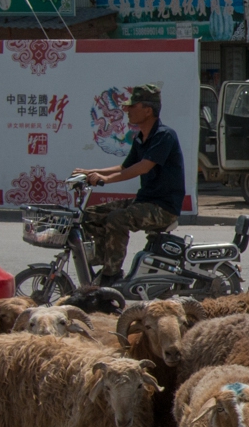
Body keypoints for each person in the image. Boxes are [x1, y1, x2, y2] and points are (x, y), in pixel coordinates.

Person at [73, 85, 186, 284]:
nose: (126, 111)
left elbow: (143, 167)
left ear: (148, 110)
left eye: (132, 106)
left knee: (117, 219)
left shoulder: (164, 135)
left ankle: (112, 274)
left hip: (163, 207)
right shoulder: (140, 138)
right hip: (145, 201)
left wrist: (105, 180)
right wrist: (90, 172)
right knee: (91, 214)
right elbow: (124, 166)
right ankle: (104, 262)